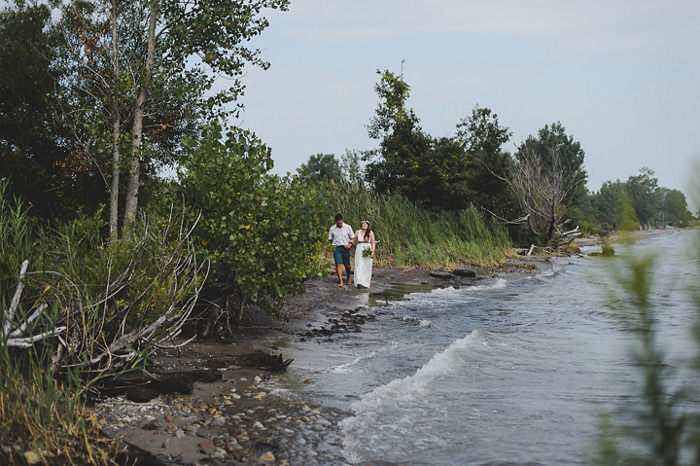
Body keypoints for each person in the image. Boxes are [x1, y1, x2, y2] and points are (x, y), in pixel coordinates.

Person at [328, 213, 355, 287]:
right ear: (336, 221)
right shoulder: (332, 228)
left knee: (347, 265)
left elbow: (353, 237)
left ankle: (348, 278)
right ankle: (341, 281)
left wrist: (349, 245)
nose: (339, 222)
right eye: (338, 221)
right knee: (338, 264)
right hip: (336, 247)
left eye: (340, 221)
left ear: (342, 220)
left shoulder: (347, 227)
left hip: (345, 247)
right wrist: (328, 249)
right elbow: (330, 239)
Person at [352, 220, 376, 288]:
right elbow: (354, 240)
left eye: (366, 224)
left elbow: (373, 243)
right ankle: (358, 282)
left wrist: (372, 252)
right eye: (363, 224)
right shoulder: (357, 232)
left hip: (367, 248)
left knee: (367, 265)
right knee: (359, 264)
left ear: (368, 225)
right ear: (361, 225)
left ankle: (366, 283)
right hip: (360, 248)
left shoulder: (370, 232)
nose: (364, 225)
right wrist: (350, 241)